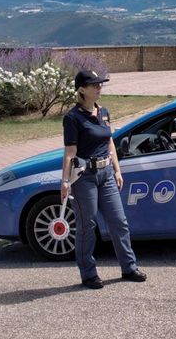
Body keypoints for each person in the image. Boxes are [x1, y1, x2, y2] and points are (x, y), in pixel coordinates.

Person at [62, 69, 146, 289]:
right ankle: (88, 274)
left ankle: (129, 267)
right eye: (94, 85)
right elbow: (70, 153)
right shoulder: (72, 118)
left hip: (106, 173)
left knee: (119, 222)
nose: (99, 87)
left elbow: (109, 143)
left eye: (100, 84)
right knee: (87, 226)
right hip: (84, 177)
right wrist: (65, 182)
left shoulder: (103, 112)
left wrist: (117, 170)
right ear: (82, 90)